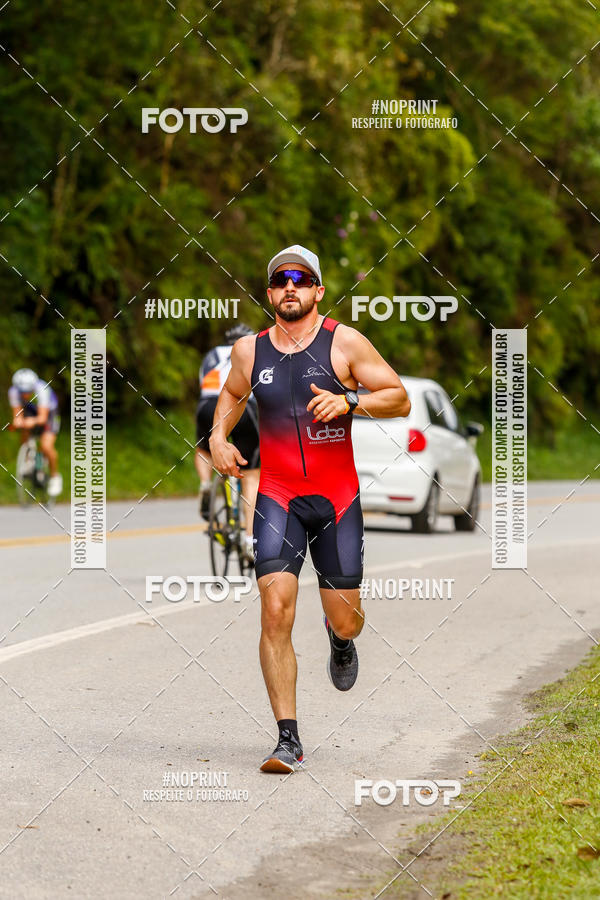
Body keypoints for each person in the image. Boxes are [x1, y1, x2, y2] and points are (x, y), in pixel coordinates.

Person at [209, 245, 411, 772]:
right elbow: (230, 396)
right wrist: (218, 436)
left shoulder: (344, 343)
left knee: (347, 618)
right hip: (277, 496)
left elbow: (398, 396)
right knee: (275, 609)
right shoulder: (249, 351)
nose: (289, 288)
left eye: (300, 279)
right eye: (279, 281)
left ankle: (339, 641)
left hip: (336, 499)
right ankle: (287, 738)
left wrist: (350, 401)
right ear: (270, 293)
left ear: (318, 289)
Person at [195, 324, 260, 559]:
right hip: (244, 407)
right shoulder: (251, 351)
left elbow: (202, 384)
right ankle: (250, 540)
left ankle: (204, 483)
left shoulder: (211, 355)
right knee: (251, 475)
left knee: (204, 447)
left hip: (208, 404)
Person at [9, 368, 63, 497]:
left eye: (28, 391)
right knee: (23, 428)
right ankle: (28, 460)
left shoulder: (42, 389)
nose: (25, 395)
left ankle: (55, 476)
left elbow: (43, 418)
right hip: (32, 411)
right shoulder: (13, 392)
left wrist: (32, 421)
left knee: (46, 446)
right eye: (22, 392)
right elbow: (17, 414)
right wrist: (18, 421)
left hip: (49, 414)